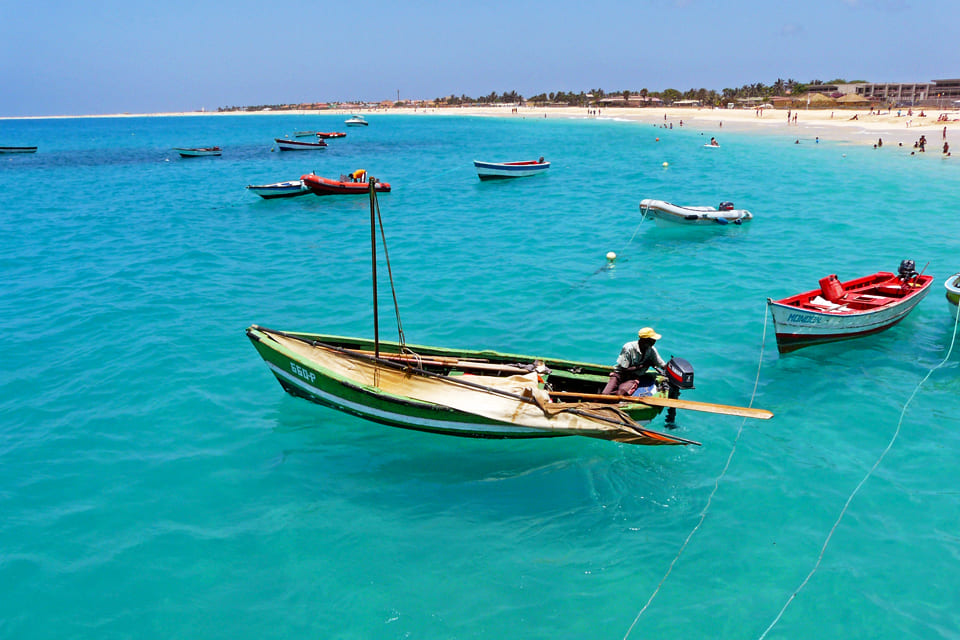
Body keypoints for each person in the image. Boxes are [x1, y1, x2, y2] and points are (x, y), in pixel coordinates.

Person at [601, 328, 667, 396]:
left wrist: (670, 368)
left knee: (620, 393)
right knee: (605, 394)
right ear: (644, 340)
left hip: (633, 377)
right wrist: (643, 365)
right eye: (652, 339)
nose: (654, 341)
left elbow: (661, 364)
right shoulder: (629, 348)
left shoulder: (651, 350)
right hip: (619, 375)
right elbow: (624, 369)